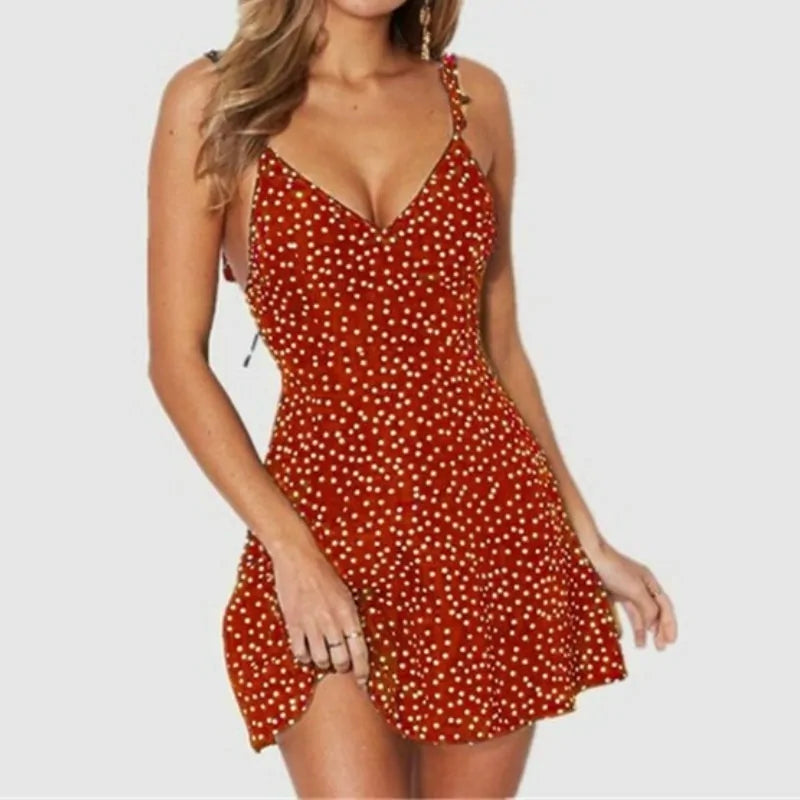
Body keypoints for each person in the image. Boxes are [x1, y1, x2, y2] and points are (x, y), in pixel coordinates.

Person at [147, 1, 678, 796]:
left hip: (492, 535)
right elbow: (176, 360)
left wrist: (585, 537)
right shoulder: (215, 101)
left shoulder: (476, 99)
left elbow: (498, 347)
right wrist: (290, 551)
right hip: (321, 531)